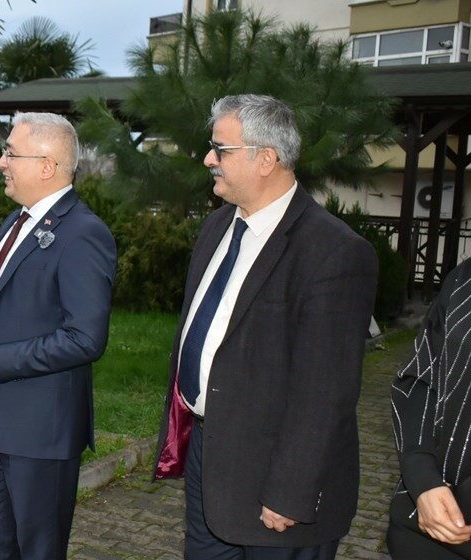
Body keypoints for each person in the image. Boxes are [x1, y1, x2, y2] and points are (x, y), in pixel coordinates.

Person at [152, 94, 378, 559]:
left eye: (221, 149)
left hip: (277, 483)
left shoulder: (333, 251)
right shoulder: (217, 228)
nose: (208, 159)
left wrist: (291, 490)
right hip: (209, 456)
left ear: (266, 159)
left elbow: (327, 389)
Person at [0, 112, 117, 559]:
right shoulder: (16, 221)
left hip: (40, 434)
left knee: (37, 551)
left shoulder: (84, 233)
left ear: (47, 165)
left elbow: (86, 337)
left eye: (11, 153)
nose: (1, 163)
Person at [389, 256, 471, 559]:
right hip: (422, 524)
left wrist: (465, 504)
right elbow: (419, 377)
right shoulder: (468, 276)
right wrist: (422, 479)